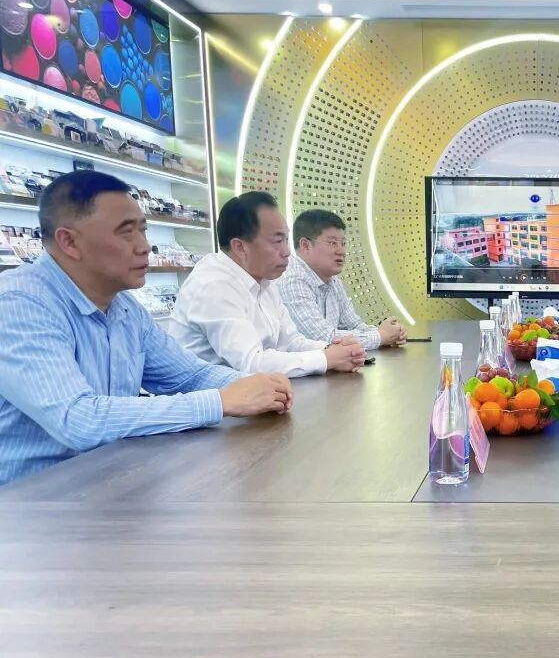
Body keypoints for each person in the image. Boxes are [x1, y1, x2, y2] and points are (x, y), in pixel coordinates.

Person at [0, 171, 292, 487]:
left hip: (112, 481)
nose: (145, 247)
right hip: (34, 501)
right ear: (69, 241)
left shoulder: (125, 308)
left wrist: (256, 385)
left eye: (143, 230)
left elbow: (189, 375)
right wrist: (221, 401)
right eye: (127, 233)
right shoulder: (19, 302)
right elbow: (78, 419)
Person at [169, 192, 367, 378]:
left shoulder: (264, 279)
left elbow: (291, 342)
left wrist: (333, 349)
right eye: (277, 241)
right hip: (206, 398)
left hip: (249, 395)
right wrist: (326, 358)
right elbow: (251, 363)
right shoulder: (214, 284)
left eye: (286, 240)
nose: (287, 251)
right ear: (240, 247)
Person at [278, 209, 407, 349]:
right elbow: (322, 338)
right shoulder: (293, 279)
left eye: (343, 243)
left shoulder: (333, 280)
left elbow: (354, 325)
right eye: (332, 243)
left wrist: (391, 333)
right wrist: (381, 336)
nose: (341, 251)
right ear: (306, 245)